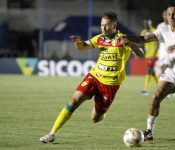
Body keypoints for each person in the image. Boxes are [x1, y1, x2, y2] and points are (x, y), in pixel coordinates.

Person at [39, 11, 144, 143]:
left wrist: (130, 44)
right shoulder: (100, 38)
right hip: (94, 76)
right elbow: (83, 46)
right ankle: (52, 133)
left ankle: (103, 112)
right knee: (73, 101)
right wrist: (78, 43)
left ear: (114, 25)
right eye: (102, 25)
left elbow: (141, 54)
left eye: (107, 25)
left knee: (95, 119)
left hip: (110, 84)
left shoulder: (123, 38)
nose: (104, 28)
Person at [121, 4, 175, 141]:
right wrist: (128, 38)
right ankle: (149, 132)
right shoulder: (163, 30)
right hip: (173, 72)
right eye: (169, 14)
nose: (171, 16)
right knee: (155, 96)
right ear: (166, 15)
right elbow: (144, 39)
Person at [140, 19, 159, 96]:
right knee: (153, 73)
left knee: (149, 70)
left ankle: (145, 90)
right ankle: (162, 88)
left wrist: (155, 54)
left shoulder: (154, 31)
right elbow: (141, 42)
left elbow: (158, 43)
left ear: (150, 24)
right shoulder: (143, 32)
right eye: (145, 24)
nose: (146, 25)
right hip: (148, 55)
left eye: (147, 24)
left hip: (154, 55)